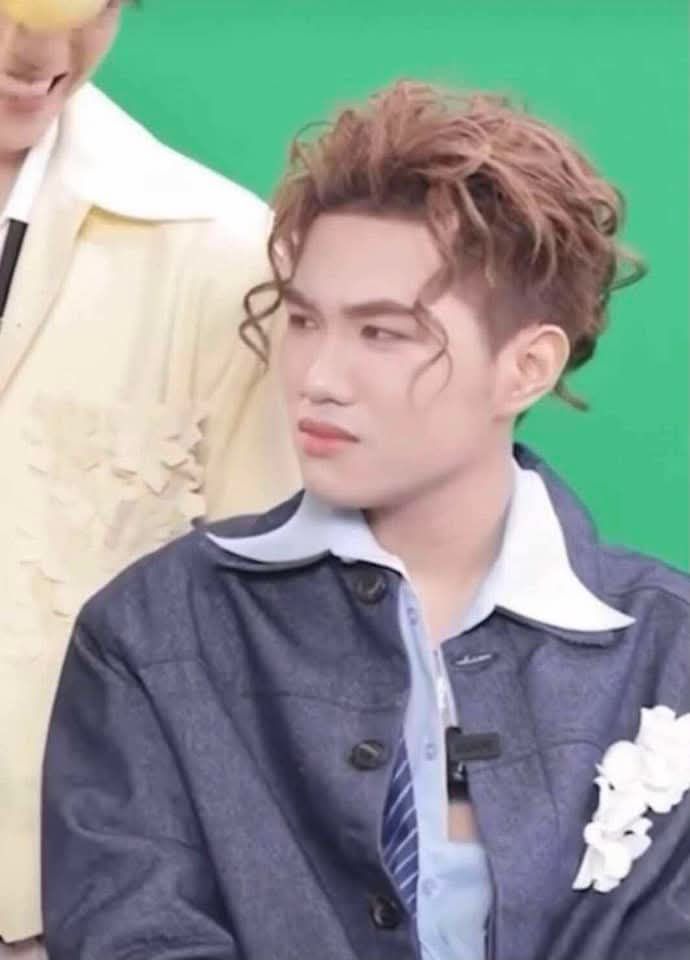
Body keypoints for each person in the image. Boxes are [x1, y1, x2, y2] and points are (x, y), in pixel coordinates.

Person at [43, 80, 689, 960]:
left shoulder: (666, 653)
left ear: (527, 367)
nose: (318, 377)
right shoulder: (153, 632)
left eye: (382, 334)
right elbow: (135, 936)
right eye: (303, 320)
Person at [0, 0, 299, 954]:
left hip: (66, 918)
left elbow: (272, 649)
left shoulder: (222, 255)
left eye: (92, 7)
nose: (44, 54)